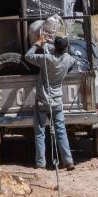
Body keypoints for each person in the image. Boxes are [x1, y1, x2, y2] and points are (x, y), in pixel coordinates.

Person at [24, 34, 77, 170]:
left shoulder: (46, 59)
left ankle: (40, 163)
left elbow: (28, 56)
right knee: (61, 131)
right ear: (65, 48)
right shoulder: (68, 59)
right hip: (57, 101)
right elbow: (73, 59)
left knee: (40, 132)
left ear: (55, 46)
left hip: (42, 101)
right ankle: (68, 161)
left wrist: (38, 43)